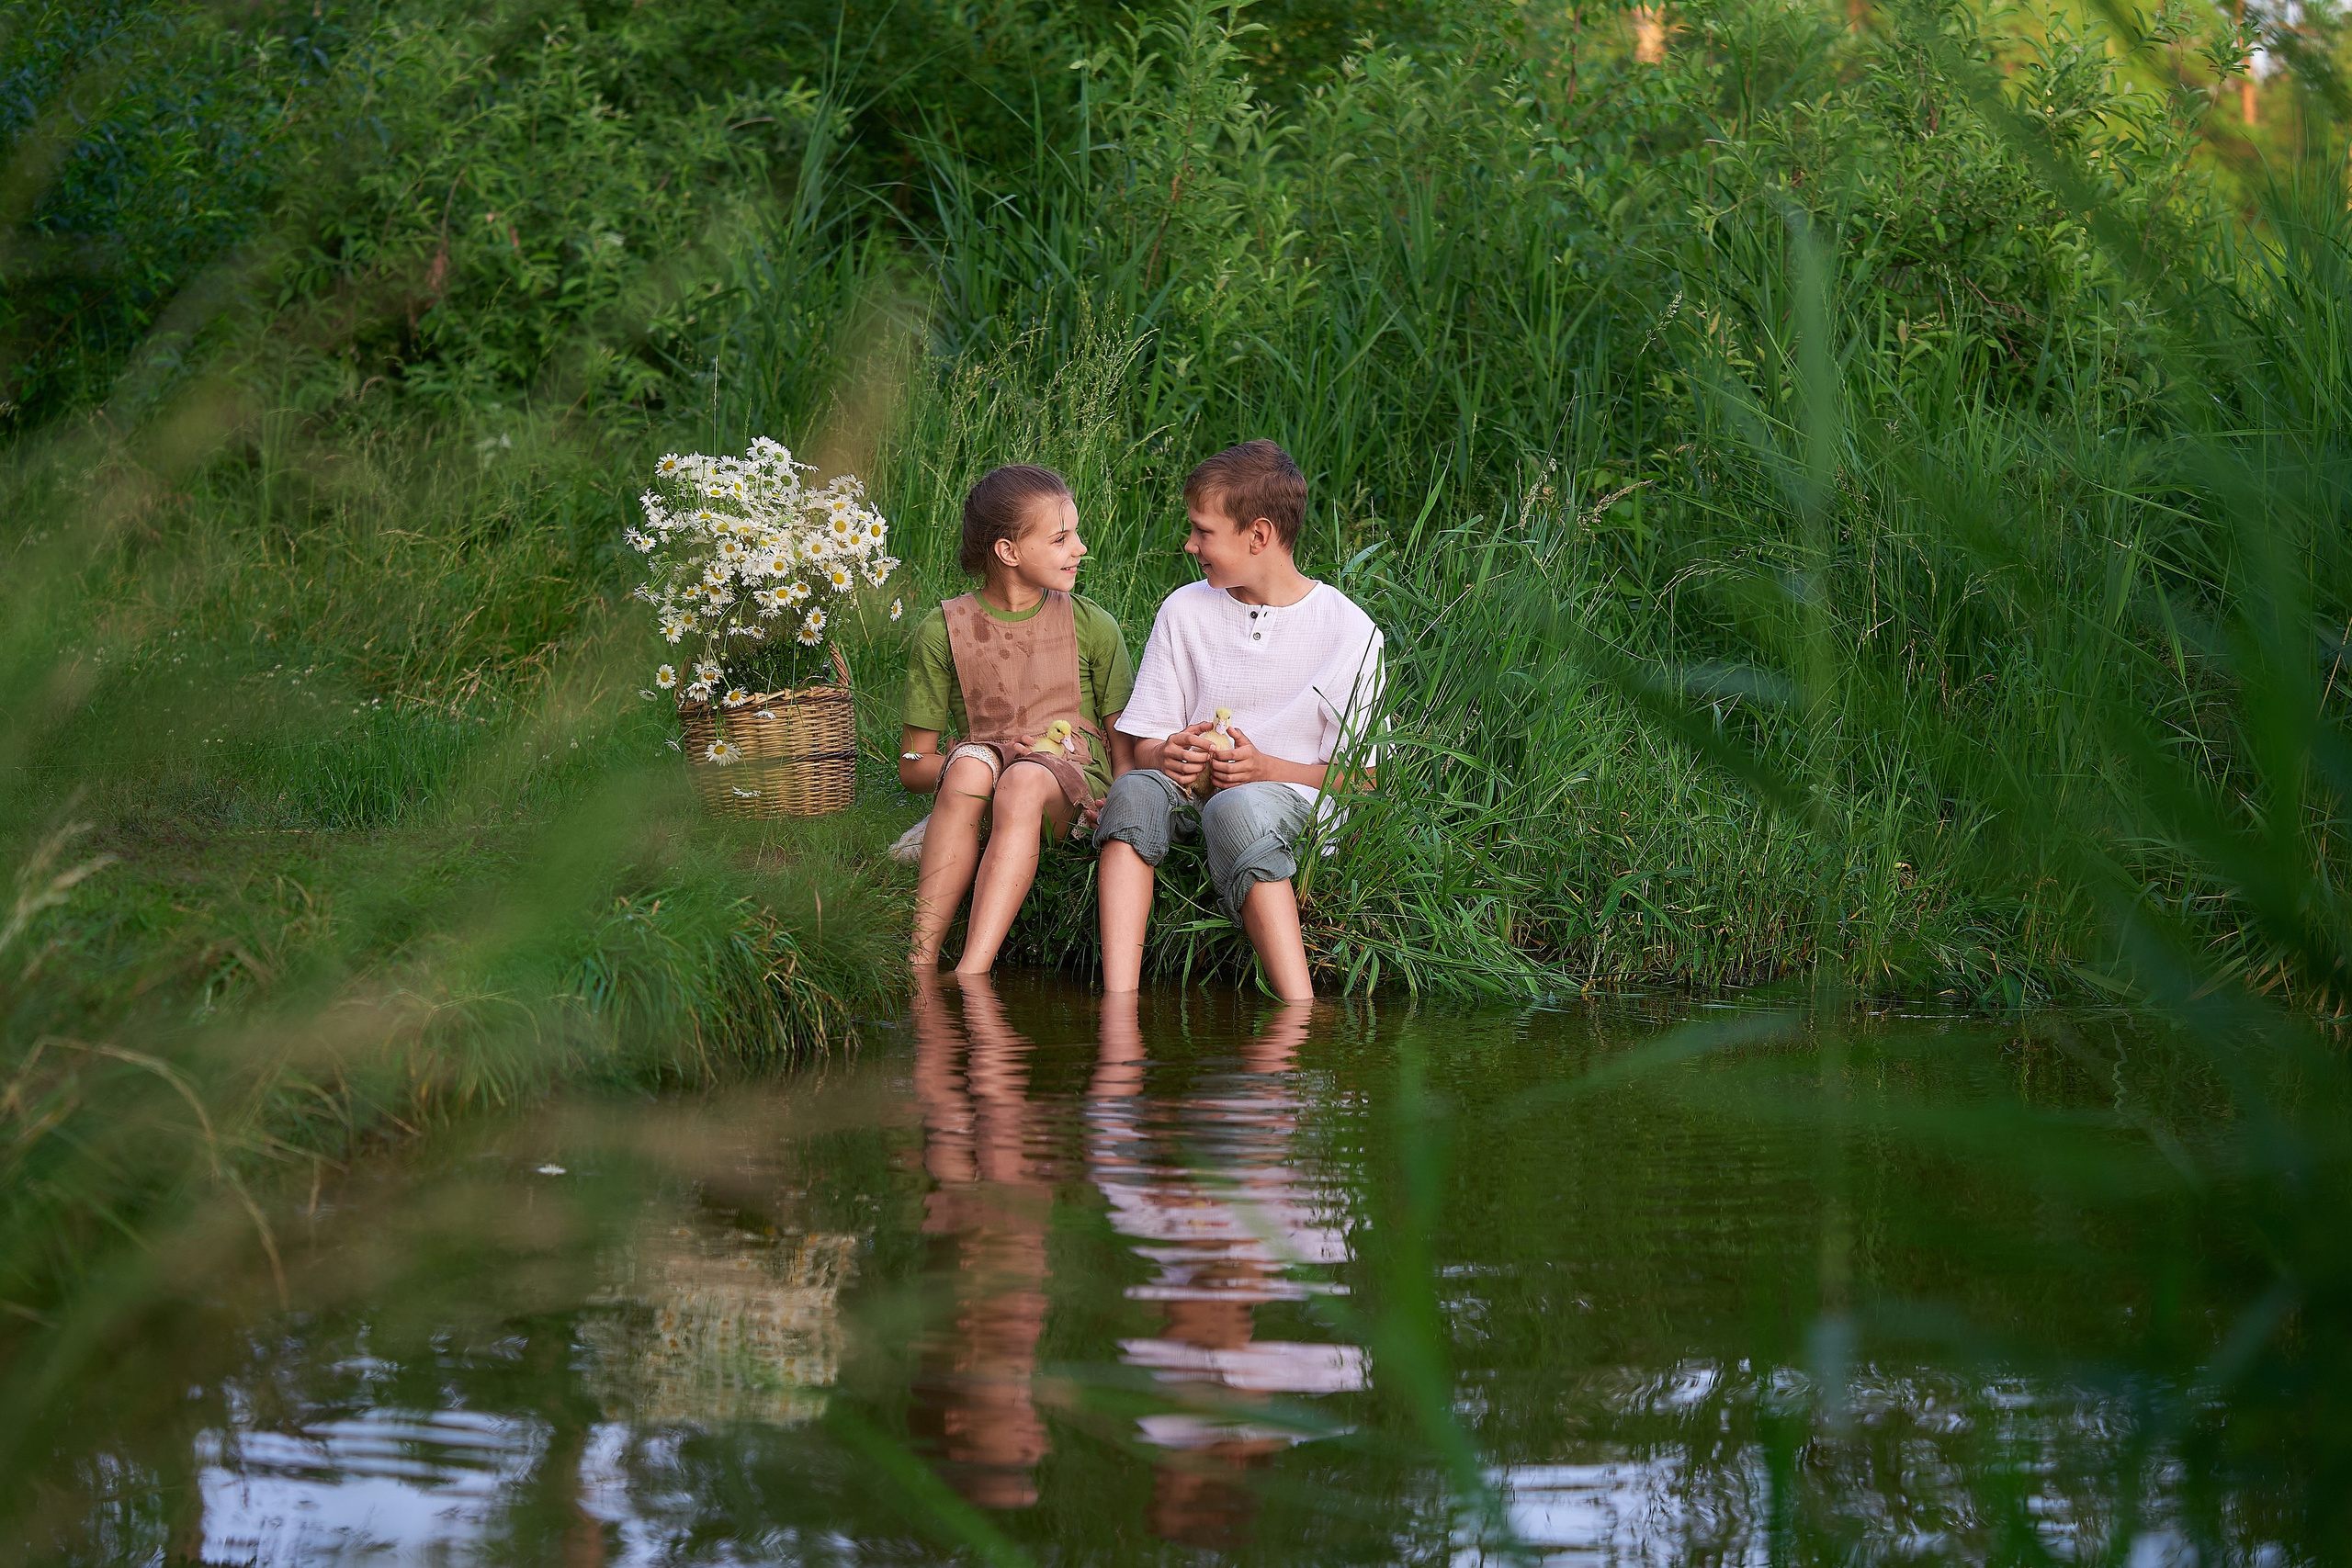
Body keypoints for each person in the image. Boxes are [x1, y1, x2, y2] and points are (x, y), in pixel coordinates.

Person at [1092, 440, 1385, 999]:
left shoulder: (1349, 632)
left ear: (1259, 535)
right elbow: (1143, 745)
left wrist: (1262, 768)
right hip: (1187, 795)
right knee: (1132, 791)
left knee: (1238, 804)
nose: (1190, 543)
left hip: (1285, 804)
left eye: (1204, 532)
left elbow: (1364, 780)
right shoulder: (1184, 609)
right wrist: (1168, 752)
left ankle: (1299, 1008)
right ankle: (1119, 1000)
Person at [899, 464, 1135, 972]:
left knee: (1026, 779)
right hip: (982, 783)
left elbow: (1124, 752)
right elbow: (913, 765)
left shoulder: (1092, 625)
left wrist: (1114, 803)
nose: (1080, 548)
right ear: (1008, 551)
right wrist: (970, 766)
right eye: (1061, 538)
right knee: (968, 768)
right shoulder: (943, 630)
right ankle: (918, 962)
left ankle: (971, 971)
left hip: (1065, 791)